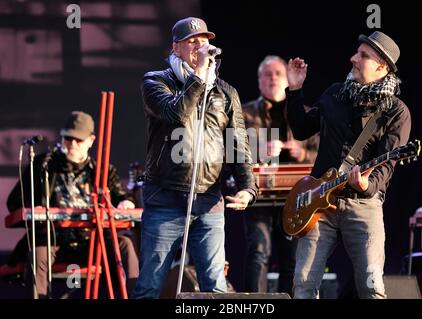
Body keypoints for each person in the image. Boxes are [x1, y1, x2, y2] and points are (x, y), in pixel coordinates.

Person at [132, 17, 257, 299]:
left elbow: (238, 143)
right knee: (150, 285)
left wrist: (248, 187)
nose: (200, 46)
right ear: (176, 48)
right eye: (192, 41)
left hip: (209, 200)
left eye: (204, 40)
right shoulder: (155, 81)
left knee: (215, 286)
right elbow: (176, 115)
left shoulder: (225, 91)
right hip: (165, 198)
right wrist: (199, 76)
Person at [286, 31, 411, 299]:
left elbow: (386, 166)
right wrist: (295, 90)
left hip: (362, 205)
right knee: (303, 286)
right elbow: (300, 129)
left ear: (382, 67)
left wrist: (367, 184)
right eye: (357, 52)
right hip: (320, 205)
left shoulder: (396, 111)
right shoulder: (335, 93)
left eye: (363, 56)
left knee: (371, 287)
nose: (353, 58)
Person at [5, 111, 139, 298]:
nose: (72, 144)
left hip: (91, 241)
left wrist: (127, 203)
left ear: (91, 140)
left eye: (78, 140)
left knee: (124, 244)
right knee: (38, 254)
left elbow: (121, 197)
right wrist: (33, 207)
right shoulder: (42, 165)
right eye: (68, 138)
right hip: (53, 239)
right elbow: (14, 202)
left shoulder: (102, 170)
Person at [241, 55, 318, 295]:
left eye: (278, 73)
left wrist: (302, 152)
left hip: (294, 198)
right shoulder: (243, 113)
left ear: (287, 79)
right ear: (259, 80)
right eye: (267, 74)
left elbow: (323, 156)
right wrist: (258, 151)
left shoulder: (303, 113)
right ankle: (255, 305)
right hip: (259, 196)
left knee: (291, 258)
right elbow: (232, 152)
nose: (273, 78)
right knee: (258, 253)